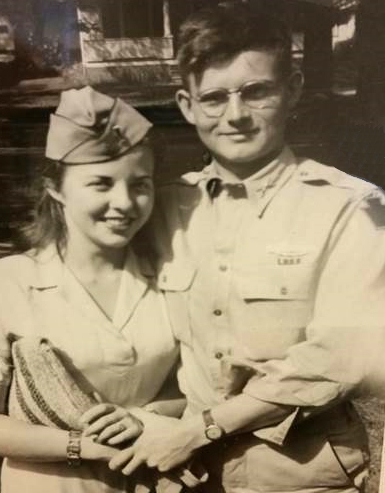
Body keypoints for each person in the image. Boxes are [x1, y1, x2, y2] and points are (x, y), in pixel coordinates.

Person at [107, 4, 385, 493]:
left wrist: (201, 429)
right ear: (187, 106)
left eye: (256, 91)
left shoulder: (351, 207)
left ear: (292, 88)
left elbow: (342, 356)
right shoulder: (166, 209)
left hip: (302, 476)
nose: (235, 116)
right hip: (186, 478)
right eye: (213, 98)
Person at [0, 86, 183, 493]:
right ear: (55, 189)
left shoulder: (172, 278)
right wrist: (85, 447)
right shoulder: (10, 282)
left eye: (141, 184)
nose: (125, 203)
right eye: (101, 184)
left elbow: (198, 386)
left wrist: (146, 418)